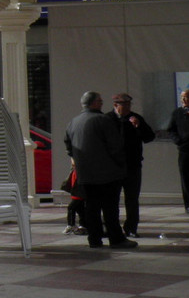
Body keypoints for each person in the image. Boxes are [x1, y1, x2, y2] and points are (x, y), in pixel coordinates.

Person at [64, 90, 135, 249]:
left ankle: (94, 239)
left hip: (86, 174)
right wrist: (121, 165)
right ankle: (116, 239)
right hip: (107, 173)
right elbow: (115, 146)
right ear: (94, 103)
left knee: (91, 208)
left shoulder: (74, 122)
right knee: (110, 208)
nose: (102, 103)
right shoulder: (103, 120)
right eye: (100, 101)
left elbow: (69, 147)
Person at [111, 93, 155, 238]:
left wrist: (139, 126)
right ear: (116, 105)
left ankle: (131, 227)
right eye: (124, 104)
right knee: (112, 199)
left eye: (129, 104)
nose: (128, 107)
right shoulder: (107, 119)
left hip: (133, 165)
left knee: (132, 198)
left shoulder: (135, 118)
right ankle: (112, 228)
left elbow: (149, 137)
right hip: (114, 166)